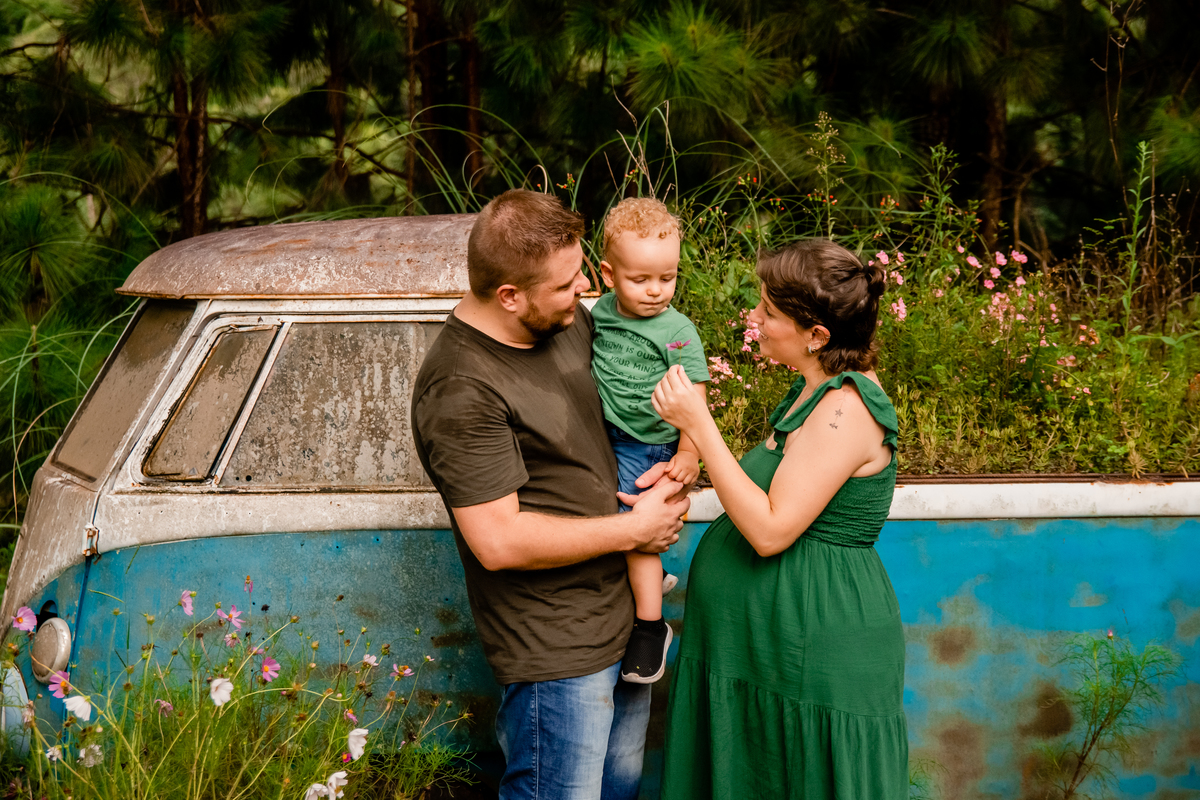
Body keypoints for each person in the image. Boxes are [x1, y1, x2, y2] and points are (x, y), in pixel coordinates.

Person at [410, 189, 691, 800]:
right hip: (556, 653)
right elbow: (498, 541)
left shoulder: (564, 321)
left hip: (625, 625)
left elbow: (637, 415)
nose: (584, 288)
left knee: (618, 792)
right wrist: (636, 530)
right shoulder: (461, 388)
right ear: (510, 295)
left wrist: (680, 462)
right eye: (566, 284)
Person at [652, 238, 909, 799]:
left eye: (768, 311)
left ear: (817, 335)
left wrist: (699, 424)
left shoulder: (847, 407)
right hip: (759, 649)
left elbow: (771, 531)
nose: (754, 318)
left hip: (807, 651)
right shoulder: (811, 392)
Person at [590, 197, 710, 683]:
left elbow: (695, 394)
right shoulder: (599, 313)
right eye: (640, 279)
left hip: (649, 444)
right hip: (605, 437)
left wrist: (689, 452)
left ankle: (649, 625)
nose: (657, 290)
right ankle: (650, 581)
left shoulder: (676, 330)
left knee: (635, 526)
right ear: (608, 274)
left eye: (668, 277)